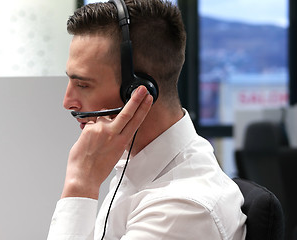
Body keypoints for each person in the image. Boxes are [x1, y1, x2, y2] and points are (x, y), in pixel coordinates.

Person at [47, 0, 246, 239]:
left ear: (138, 92)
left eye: (83, 85)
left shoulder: (182, 209)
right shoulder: (137, 167)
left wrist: (81, 185)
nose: (68, 102)